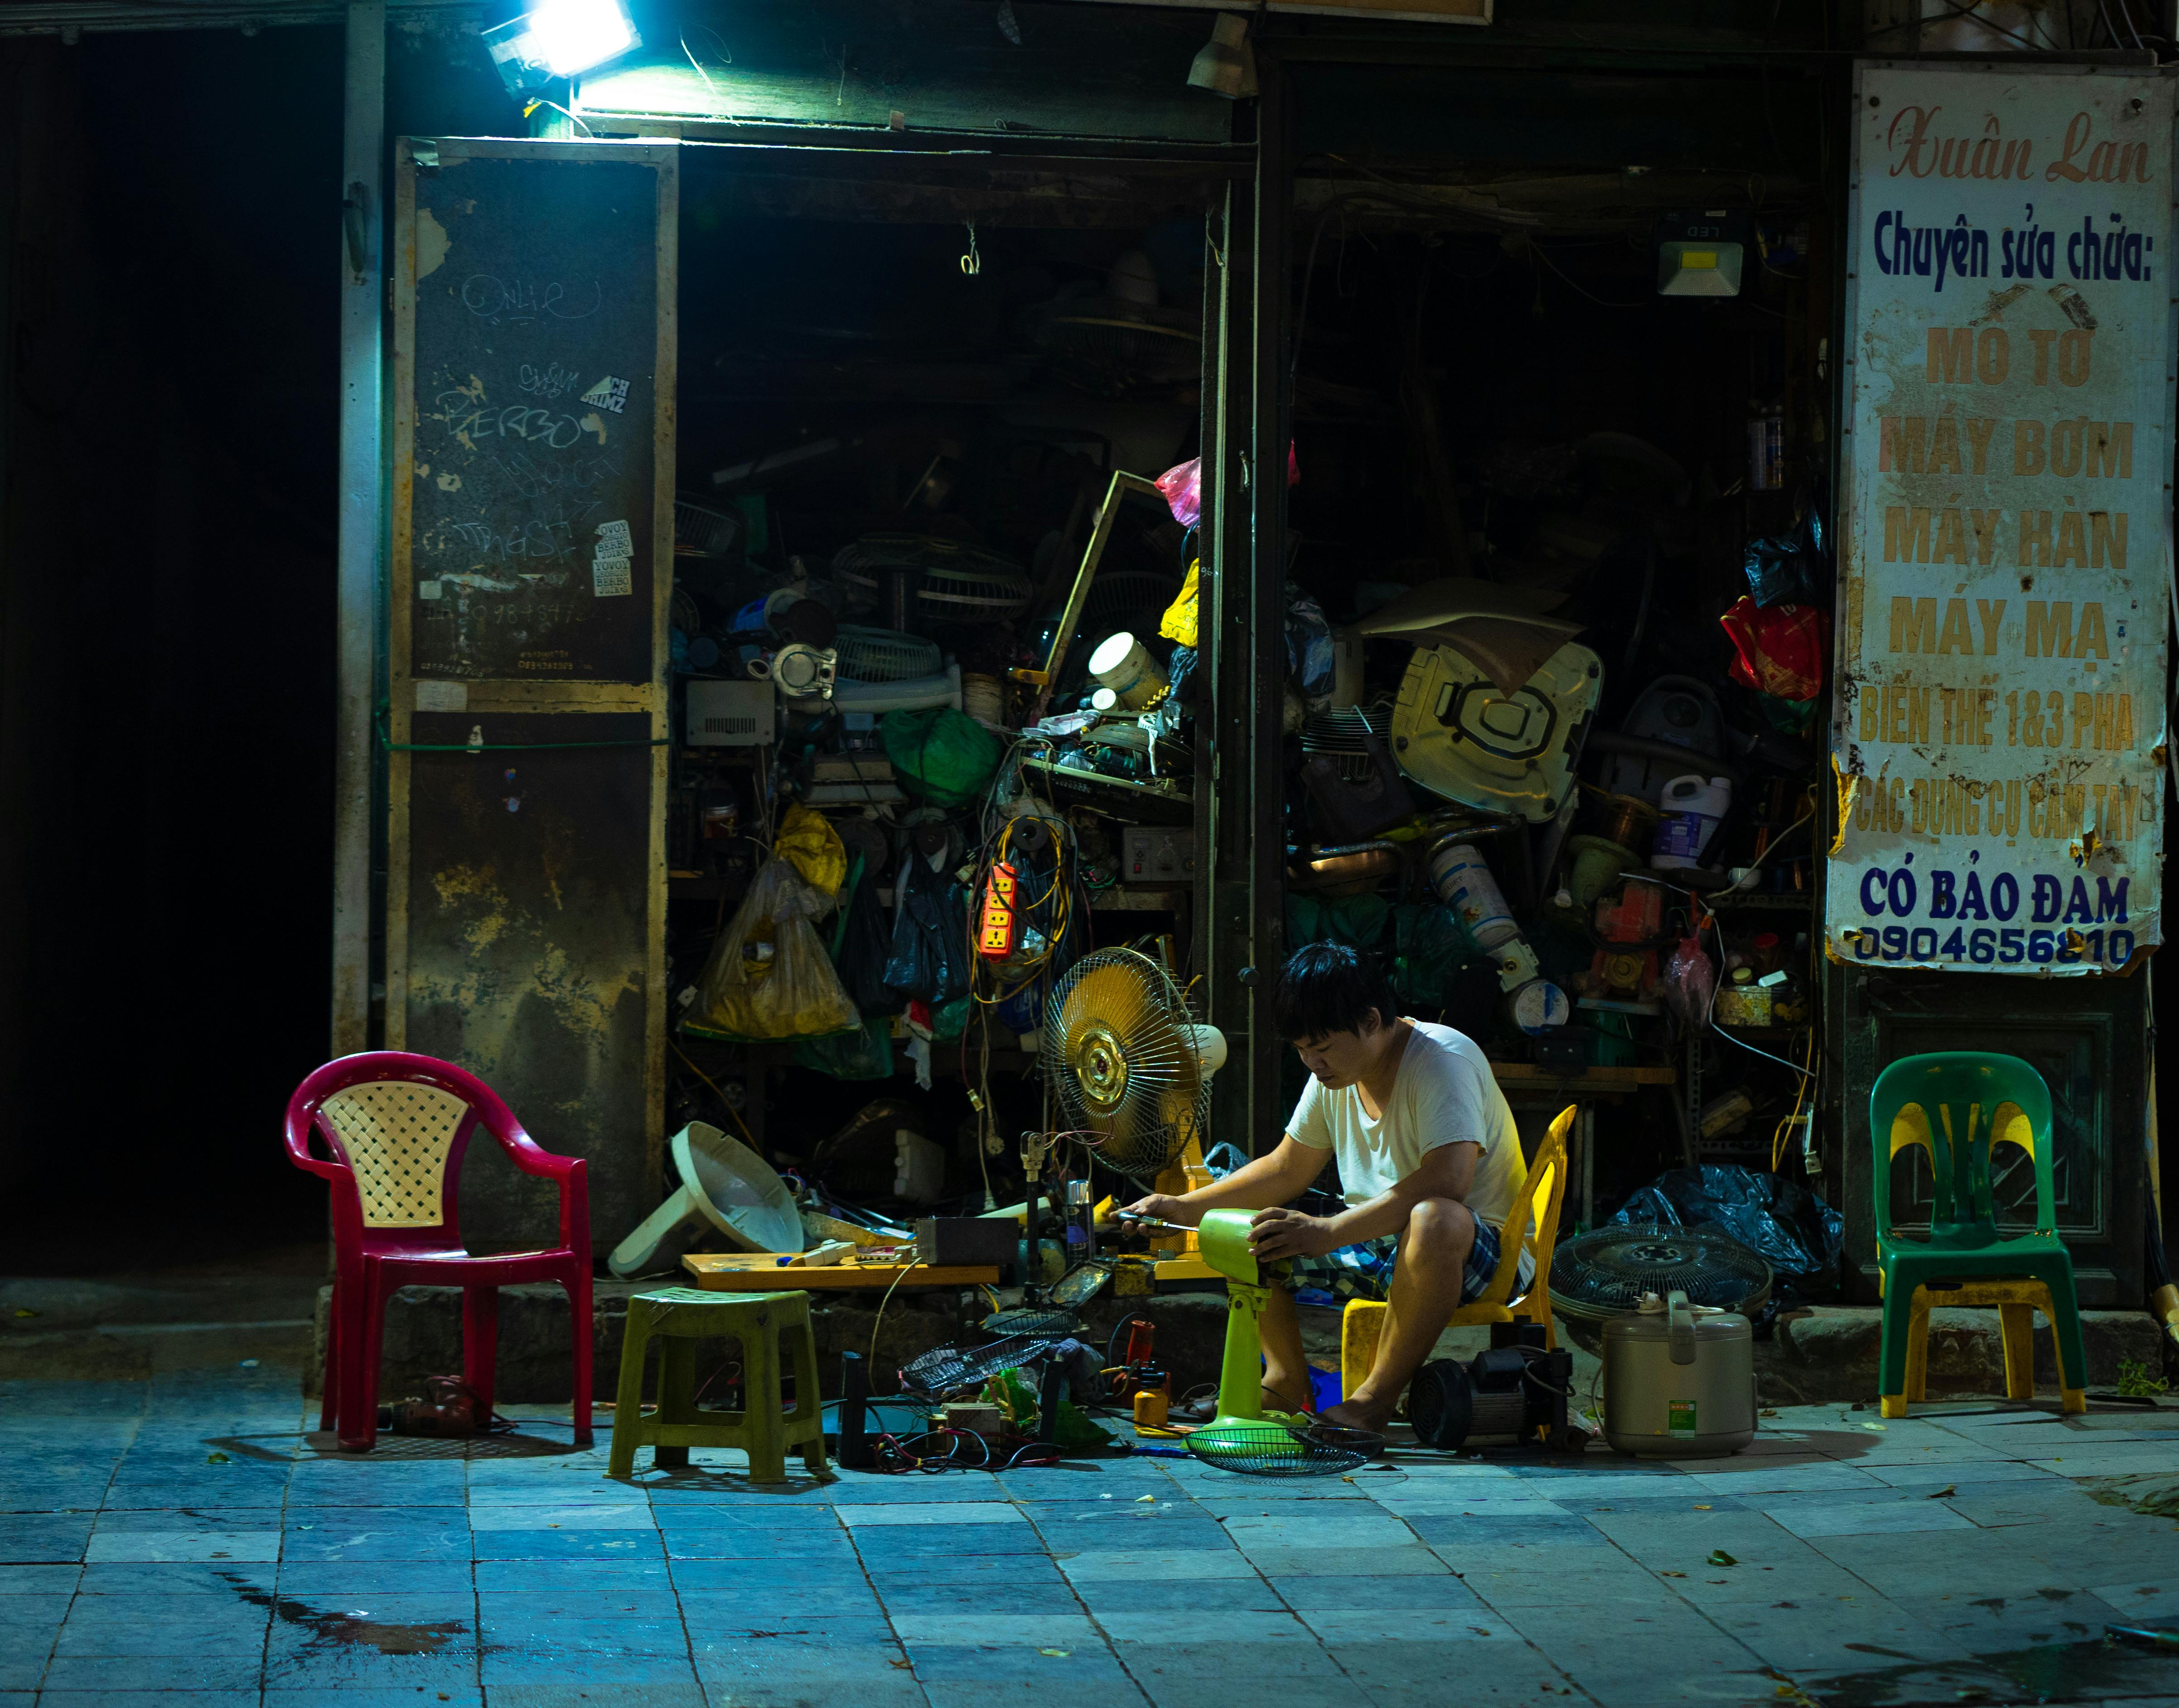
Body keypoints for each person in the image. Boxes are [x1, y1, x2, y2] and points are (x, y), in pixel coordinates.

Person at [1123, 941, 1530, 1432]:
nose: (1312, 1062)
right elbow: (1286, 1167)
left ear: (1372, 1021)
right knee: (1252, 1234)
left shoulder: (1443, 1059)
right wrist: (1182, 1206)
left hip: (1479, 1252)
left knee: (1434, 1216)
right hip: (1377, 1241)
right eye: (1301, 1050)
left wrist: (1329, 1230)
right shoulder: (1336, 1073)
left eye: (1322, 1047)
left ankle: (1373, 1401)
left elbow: (1449, 1179)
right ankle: (1286, 1381)